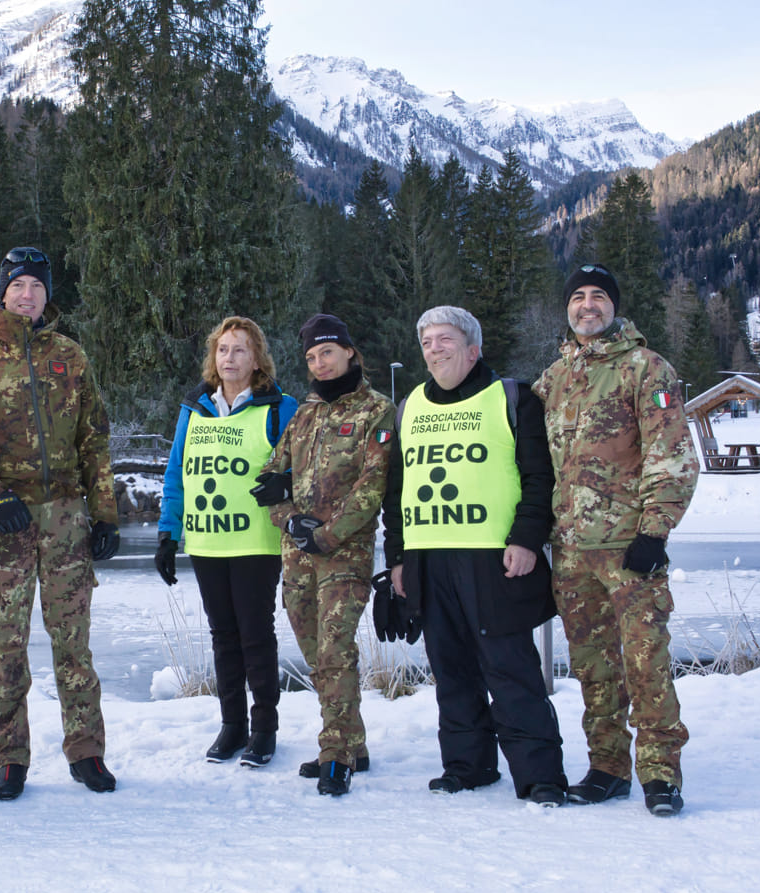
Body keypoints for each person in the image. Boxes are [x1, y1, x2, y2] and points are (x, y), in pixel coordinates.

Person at [0, 246, 120, 800]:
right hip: (4, 520)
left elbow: (94, 440)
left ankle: (86, 751)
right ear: (3, 290)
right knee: (7, 643)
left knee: (73, 643)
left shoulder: (70, 356)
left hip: (65, 516)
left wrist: (103, 513)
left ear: (46, 294)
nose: (28, 295)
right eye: (19, 285)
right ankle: (10, 756)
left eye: (37, 286)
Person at [383, 306, 567, 806]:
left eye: (445, 339)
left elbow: (539, 477)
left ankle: (540, 775)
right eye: (427, 342)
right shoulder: (409, 407)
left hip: (492, 558)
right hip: (428, 557)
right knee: (451, 668)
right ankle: (468, 765)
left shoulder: (511, 398)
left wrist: (528, 539)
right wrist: (396, 557)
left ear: (473, 348)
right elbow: (396, 489)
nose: (435, 349)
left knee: (509, 668)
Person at [533, 265, 700, 817]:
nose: (587, 305)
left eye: (598, 296)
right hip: (573, 552)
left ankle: (660, 773)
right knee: (593, 666)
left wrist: (654, 531)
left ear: (614, 306)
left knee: (645, 661)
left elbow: (672, 453)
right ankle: (607, 767)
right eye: (577, 297)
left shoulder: (645, 369)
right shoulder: (553, 379)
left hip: (631, 549)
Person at [255, 314, 395, 795]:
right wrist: (290, 520)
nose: (320, 363)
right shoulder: (304, 413)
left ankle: (335, 753)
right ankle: (353, 742)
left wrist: (327, 535)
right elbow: (270, 478)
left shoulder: (376, 410)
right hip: (296, 557)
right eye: (312, 357)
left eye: (328, 353)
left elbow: (372, 486)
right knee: (318, 657)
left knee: (335, 649)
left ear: (350, 353)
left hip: (344, 555)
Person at [155, 316, 298, 767]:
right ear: (212, 359)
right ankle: (232, 725)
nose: (229, 357)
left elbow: (305, 466)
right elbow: (177, 473)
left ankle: (265, 729)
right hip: (207, 542)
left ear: (257, 359)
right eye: (222, 349)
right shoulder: (194, 408)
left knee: (256, 635)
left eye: (239, 349)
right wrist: (166, 533)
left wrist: (287, 483)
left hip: (256, 541)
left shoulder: (279, 407)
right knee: (223, 636)